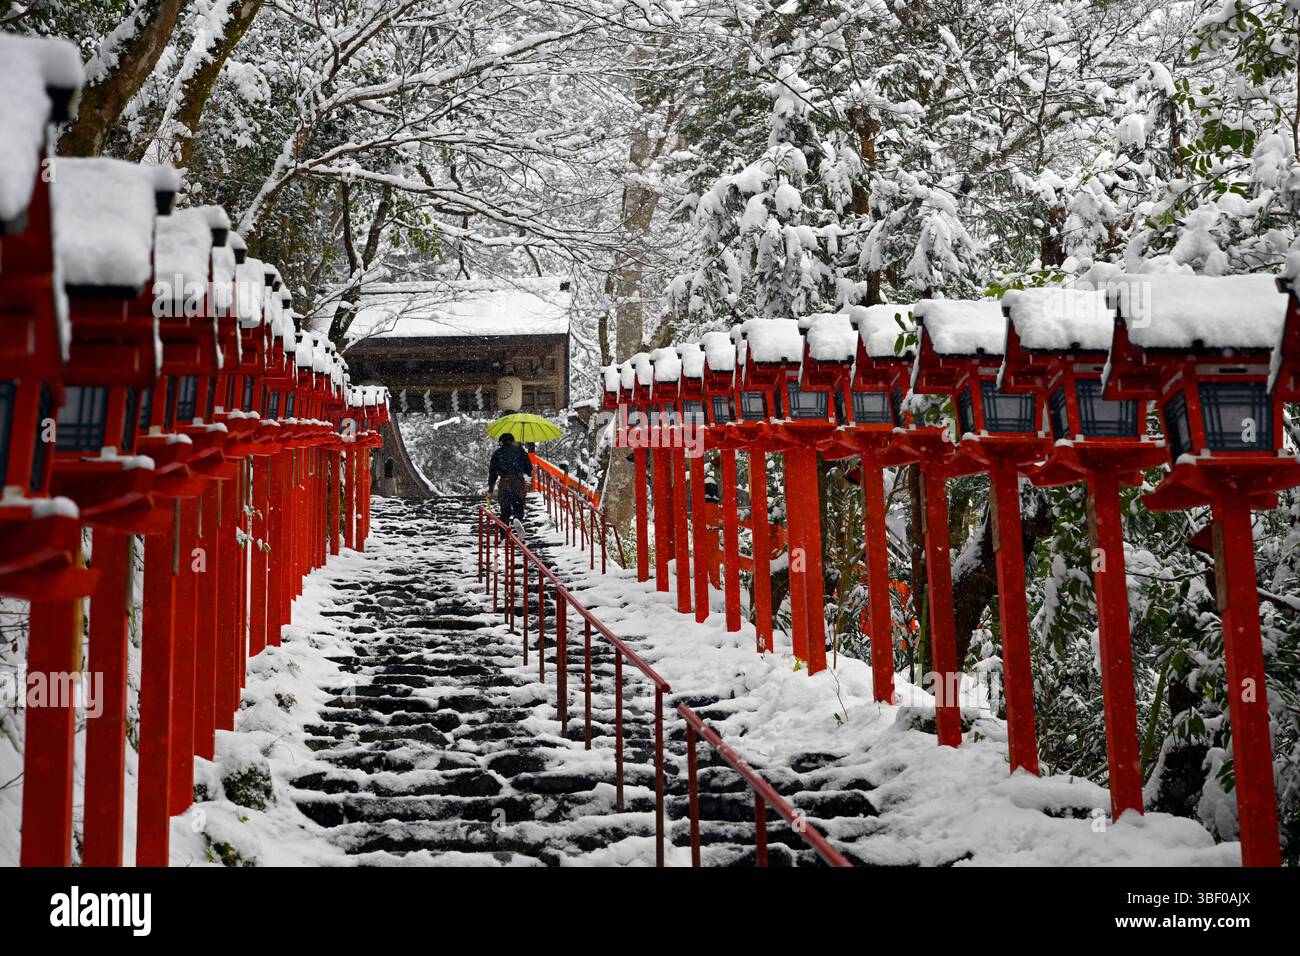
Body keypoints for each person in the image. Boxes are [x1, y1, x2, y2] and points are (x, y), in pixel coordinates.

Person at [488, 432, 532, 531]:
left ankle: (504, 536)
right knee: (518, 507)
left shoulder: (497, 453)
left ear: (502, 442)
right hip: (518, 482)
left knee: (504, 511)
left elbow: (493, 473)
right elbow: (529, 470)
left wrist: (490, 490)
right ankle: (517, 518)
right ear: (513, 441)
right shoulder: (521, 451)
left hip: (505, 483)